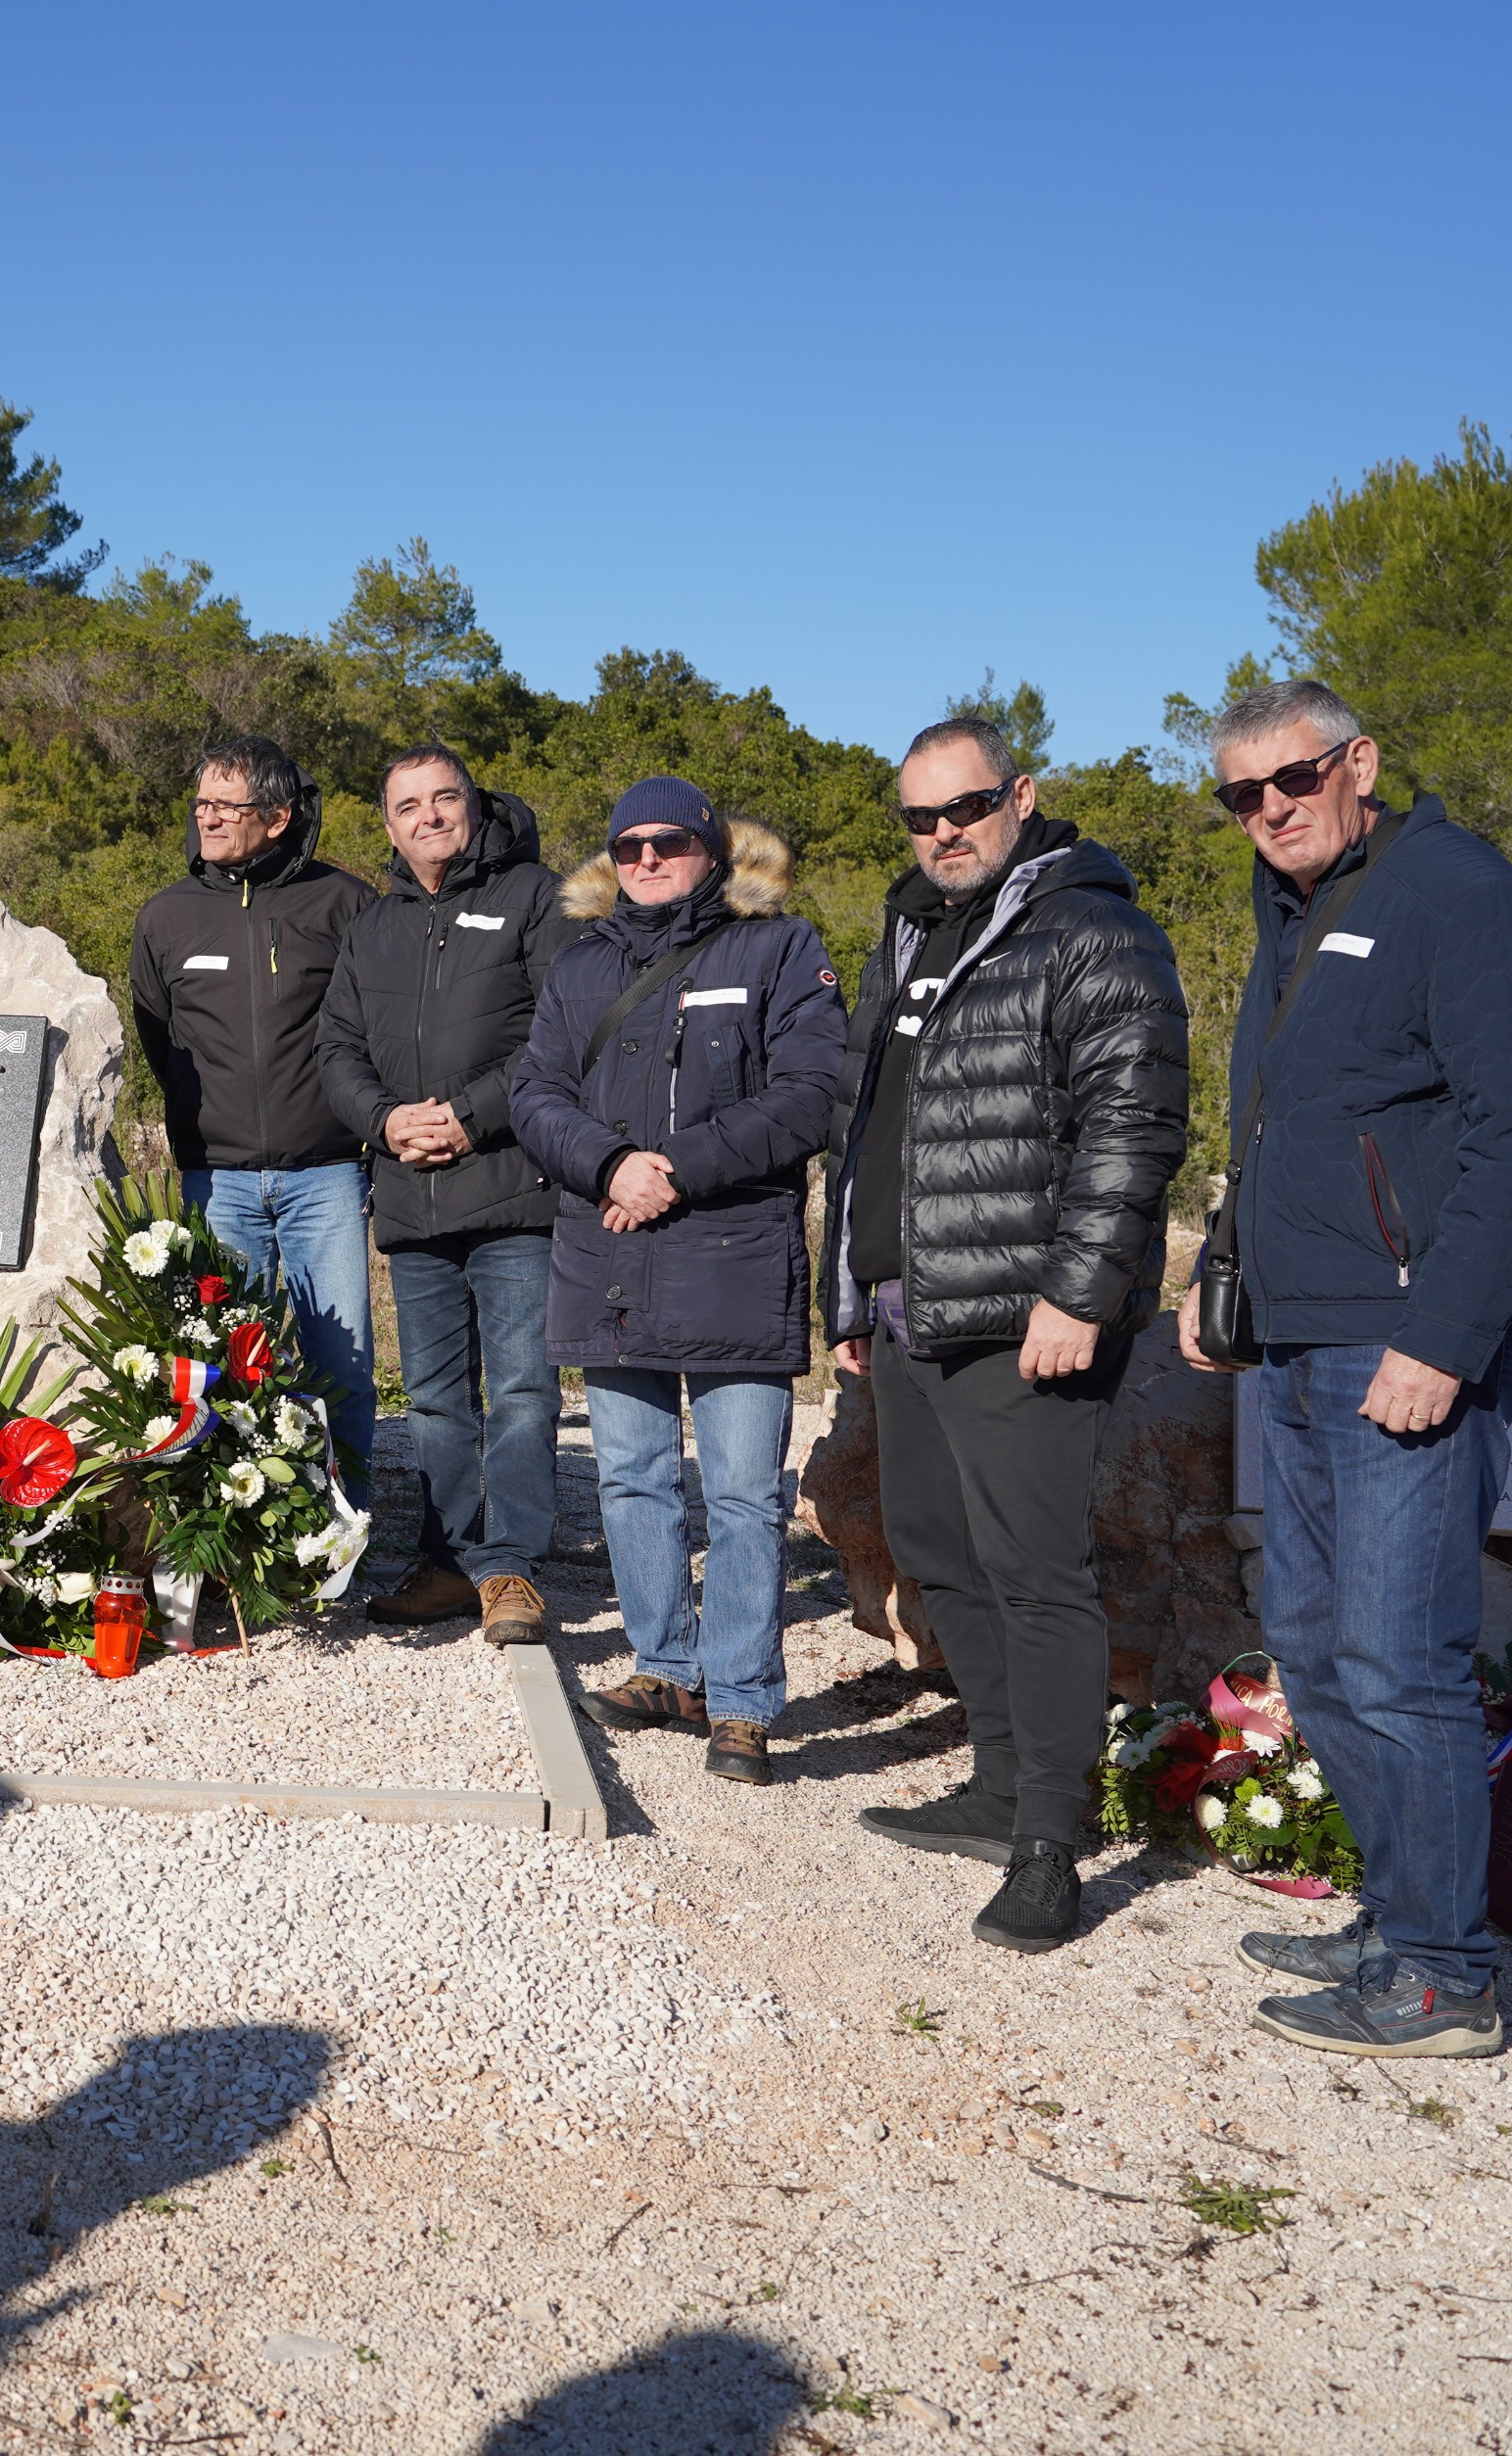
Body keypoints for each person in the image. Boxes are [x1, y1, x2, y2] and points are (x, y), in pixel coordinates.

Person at [1177, 677, 1512, 2058]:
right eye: (1240, 793)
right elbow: (1284, 1119)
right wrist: (1221, 1269)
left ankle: (1447, 1978)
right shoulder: (1293, 905)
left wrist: (1439, 1340)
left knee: (1400, 1660)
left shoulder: (1458, 894)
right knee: (1311, 1645)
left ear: (1357, 763)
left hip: (1404, 1338)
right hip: (1301, 1333)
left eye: (1291, 779)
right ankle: (1402, 1918)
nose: (1267, 809)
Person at [822, 715, 1188, 1953]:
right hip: (909, 1307)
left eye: (967, 807)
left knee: (1037, 1572)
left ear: (1021, 796)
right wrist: (851, 1293)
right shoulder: (909, 929)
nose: (944, 833)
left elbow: (1133, 1125)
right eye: (920, 817)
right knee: (934, 1543)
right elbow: (868, 1125)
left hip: (1024, 1313)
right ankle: (995, 1781)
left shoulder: (1094, 930)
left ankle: (1051, 1839)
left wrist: (1079, 1294)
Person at [510, 779, 848, 1785]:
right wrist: (611, 1164)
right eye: (628, 846)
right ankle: (666, 1668)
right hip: (610, 1253)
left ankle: (741, 1700)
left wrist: (675, 1170)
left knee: (743, 1496)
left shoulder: (778, 948)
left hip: (734, 1254)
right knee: (631, 1477)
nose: (648, 860)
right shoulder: (581, 962)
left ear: (711, 849)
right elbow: (536, 1092)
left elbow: (811, 1094)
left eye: (669, 843)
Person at [318, 744, 576, 1644]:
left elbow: (561, 1035)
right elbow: (336, 1049)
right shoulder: (373, 925)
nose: (428, 816)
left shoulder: (536, 898)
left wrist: (471, 1116)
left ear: (475, 804)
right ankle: (449, 1562)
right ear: (389, 827)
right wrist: (385, 1119)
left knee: (523, 1391)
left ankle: (512, 1569)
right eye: (408, 806)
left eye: (444, 798)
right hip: (412, 1196)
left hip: (511, 1189)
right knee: (432, 1400)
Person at [131, 733, 380, 1483]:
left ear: (276, 818)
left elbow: (376, 1029)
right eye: (201, 802)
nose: (206, 817)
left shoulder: (346, 904)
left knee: (342, 1369)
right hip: (217, 1185)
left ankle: (347, 1524)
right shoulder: (166, 916)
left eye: (226, 805)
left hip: (327, 1177)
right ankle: (244, 1530)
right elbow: (158, 1036)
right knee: (223, 1370)